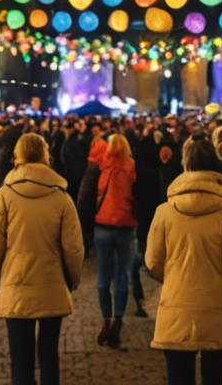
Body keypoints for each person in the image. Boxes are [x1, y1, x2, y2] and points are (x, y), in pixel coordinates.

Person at [147, 139, 222, 385]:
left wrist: (174, 277)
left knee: (179, 378)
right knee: (215, 377)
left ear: (185, 164)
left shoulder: (164, 212)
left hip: (175, 310)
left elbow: (153, 262)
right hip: (218, 311)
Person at [0, 132, 83, 385]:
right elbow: (74, 248)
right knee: (49, 356)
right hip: (52, 284)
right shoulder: (62, 198)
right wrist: (71, 279)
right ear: (45, 155)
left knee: (21, 361)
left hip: (16, 285)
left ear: (18, 155)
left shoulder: (4, 196)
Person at [83, 133, 140, 347]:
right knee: (122, 277)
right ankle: (118, 319)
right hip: (126, 225)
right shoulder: (131, 165)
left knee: (103, 277)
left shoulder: (103, 164)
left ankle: (105, 318)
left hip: (103, 225)